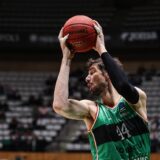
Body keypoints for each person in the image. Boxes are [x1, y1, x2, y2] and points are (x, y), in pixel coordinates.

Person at [53, 21, 150, 160]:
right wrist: (66, 59)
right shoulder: (92, 109)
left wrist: (101, 48)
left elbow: (122, 86)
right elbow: (59, 105)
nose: (87, 78)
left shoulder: (137, 100)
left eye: (92, 72)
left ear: (107, 74)